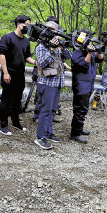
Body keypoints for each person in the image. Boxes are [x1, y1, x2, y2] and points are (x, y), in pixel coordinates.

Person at [33, 21, 72, 150]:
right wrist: (51, 49)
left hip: (57, 83)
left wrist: (62, 47)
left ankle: (48, 133)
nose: (56, 35)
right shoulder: (41, 47)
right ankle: (40, 137)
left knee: (52, 110)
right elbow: (43, 63)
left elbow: (68, 56)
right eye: (54, 32)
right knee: (45, 111)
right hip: (47, 83)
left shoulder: (57, 46)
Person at [0, 15, 36, 135]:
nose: (28, 27)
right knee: (6, 100)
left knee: (17, 100)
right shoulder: (7, 37)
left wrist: (36, 62)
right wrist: (5, 73)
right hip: (9, 73)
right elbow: (2, 55)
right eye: (26, 24)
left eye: (29, 25)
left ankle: (15, 121)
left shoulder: (26, 40)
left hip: (20, 74)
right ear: (19, 24)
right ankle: (3, 125)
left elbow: (27, 57)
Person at [70, 28, 104, 144]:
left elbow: (100, 59)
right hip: (80, 85)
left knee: (83, 109)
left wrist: (98, 50)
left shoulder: (88, 51)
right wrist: (89, 53)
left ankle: (79, 128)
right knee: (80, 109)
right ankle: (75, 133)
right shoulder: (77, 52)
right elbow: (83, 65)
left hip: (88, 84)